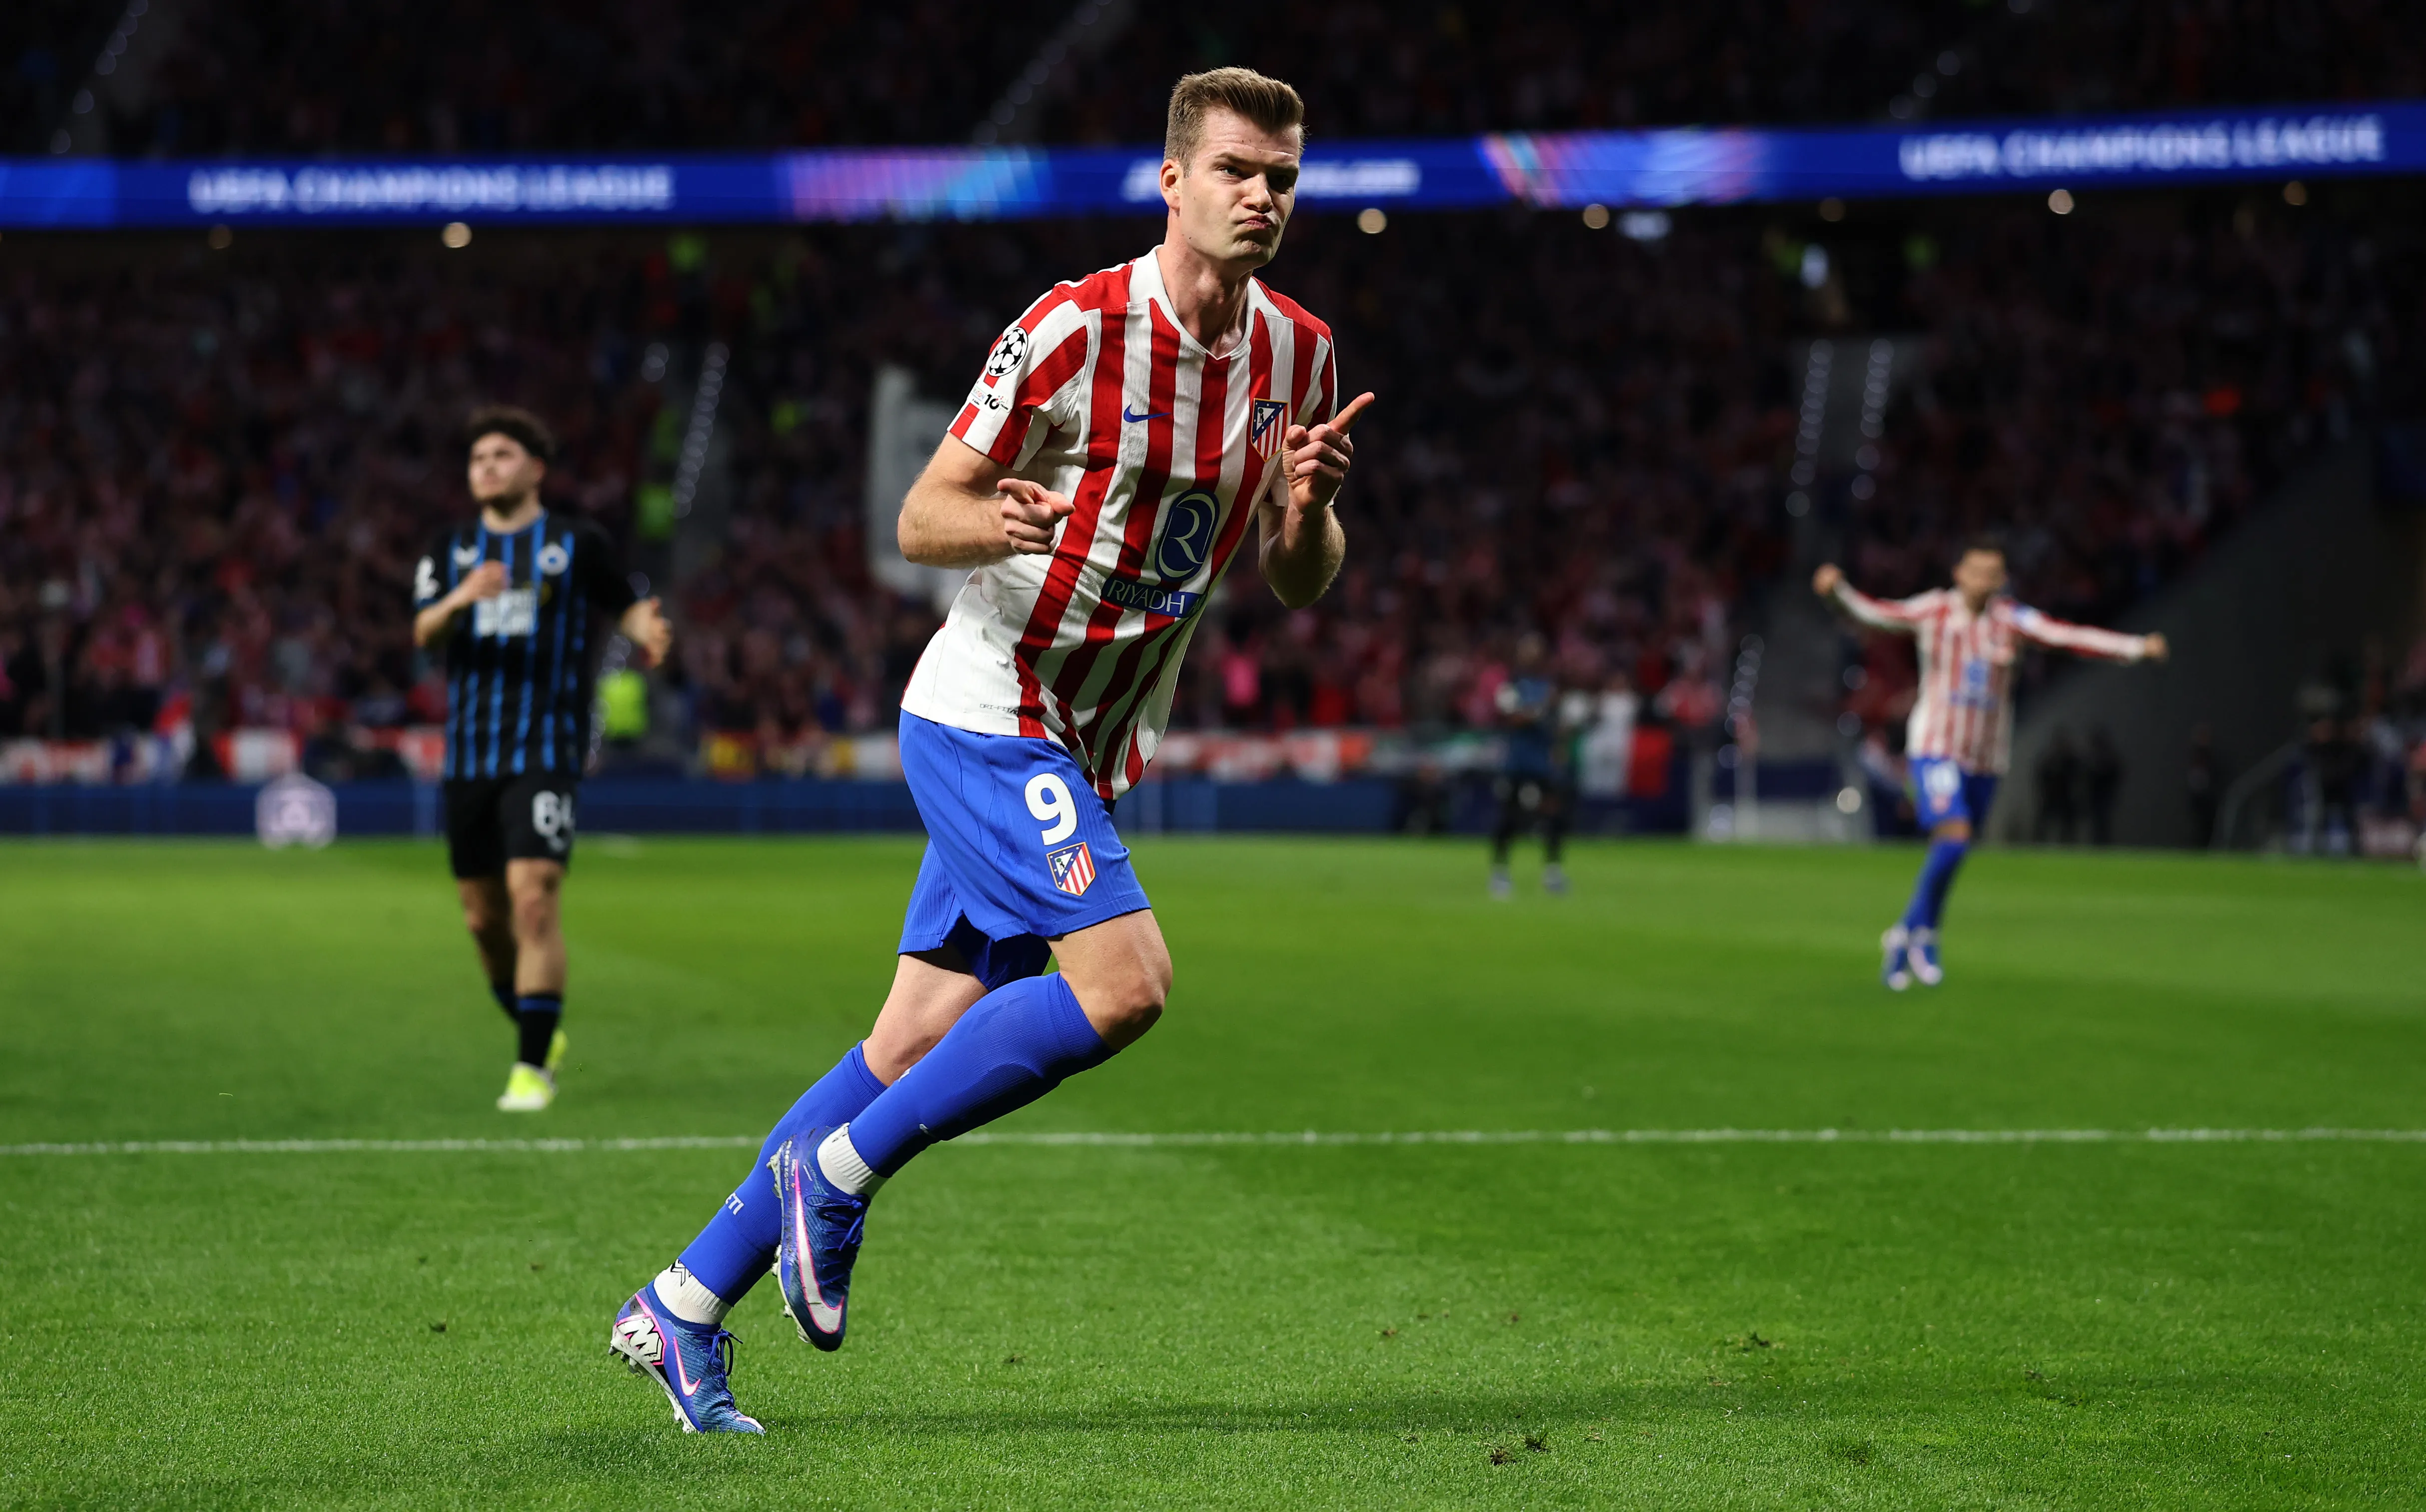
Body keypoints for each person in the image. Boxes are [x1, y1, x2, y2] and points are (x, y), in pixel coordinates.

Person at [607, 68, 1375, 1434]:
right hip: (988, 705)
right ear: (1172, 180)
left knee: (910, 1035)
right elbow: (921, 518)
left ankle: (680, 1301)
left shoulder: (1298, 355)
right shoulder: (1073, 331)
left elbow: (1297, 578)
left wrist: (1308, 509)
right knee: (1125, 981)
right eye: (1238, 171)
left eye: (1283, 178)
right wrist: (1002, 527)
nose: (1263, 197)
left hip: (1087, 737)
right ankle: (833, 1178)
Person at [410, 407, 672, 1111]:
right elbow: (422, 628)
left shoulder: (573, 543)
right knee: (482, 919)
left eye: (500, 454)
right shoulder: (450, 548)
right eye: (476, 459)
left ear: (534, 467)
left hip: (545, 748)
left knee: (534, 895)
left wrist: (648, 627)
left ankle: (530, 1067)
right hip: (469, 755)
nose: (486, 467)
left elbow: (623, 604)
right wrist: (462, 599)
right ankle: (535, 1021)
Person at [1813, 538, 2167, 990]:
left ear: (2001, 582)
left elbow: (2069, 636)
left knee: (1954, 850)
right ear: (1958, 573)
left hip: (1986, 758)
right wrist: (1835, 593)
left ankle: (1910, 933)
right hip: (1936, 747)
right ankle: (1920, 937)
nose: (1983, 581)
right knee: (1954, 836)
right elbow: (1877, 614)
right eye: (1975, 571)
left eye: (1992, 574)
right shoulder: (1935, 611)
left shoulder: (2012, 622)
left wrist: (2136, 648)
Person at [1490, 633, 1572, 896]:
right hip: (1517, 764)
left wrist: (1560, 744)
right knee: (1510, 819)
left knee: (1553, 818)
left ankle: (1553, 873)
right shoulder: (1512, 687)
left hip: (1542, 765)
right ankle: (1500, 873)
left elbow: (1557, 727)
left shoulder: (1550, 688)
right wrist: (1538, 712)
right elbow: (1512, 718)